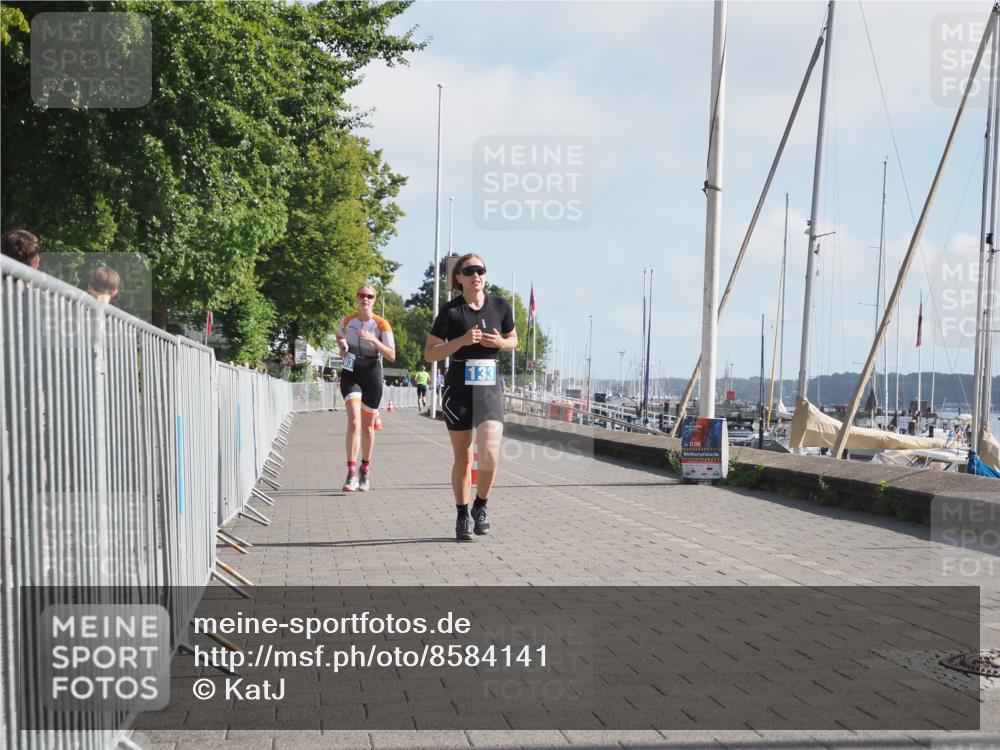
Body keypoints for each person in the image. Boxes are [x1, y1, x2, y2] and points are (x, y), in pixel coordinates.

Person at [424, 253, 517, 541]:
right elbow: (430, 353)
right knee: (463, 458)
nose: (476, 275)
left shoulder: (500, 306)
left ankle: (481, 506)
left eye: (481, 270)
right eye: (470, 271)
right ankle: (462, 514)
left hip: (489, 386)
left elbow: (514, 339)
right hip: (459, 387)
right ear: (459, 278)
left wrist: (501, 342)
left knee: (489, 453)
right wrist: (461, 341)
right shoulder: (451, 312)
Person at [338, 283, 395, 492]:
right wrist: (343, 347)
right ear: (357, 297)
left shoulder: (381, 325)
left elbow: (391, 354)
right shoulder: (347, 320)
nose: (365, 299)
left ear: (374, 300)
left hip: (372, 371)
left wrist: (373, 340)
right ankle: (351, 473)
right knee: (354, 421)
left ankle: (365, 469)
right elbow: (340, 335)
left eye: (370, 296)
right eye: (362, 295)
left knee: (368, 426)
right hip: (351, 371)